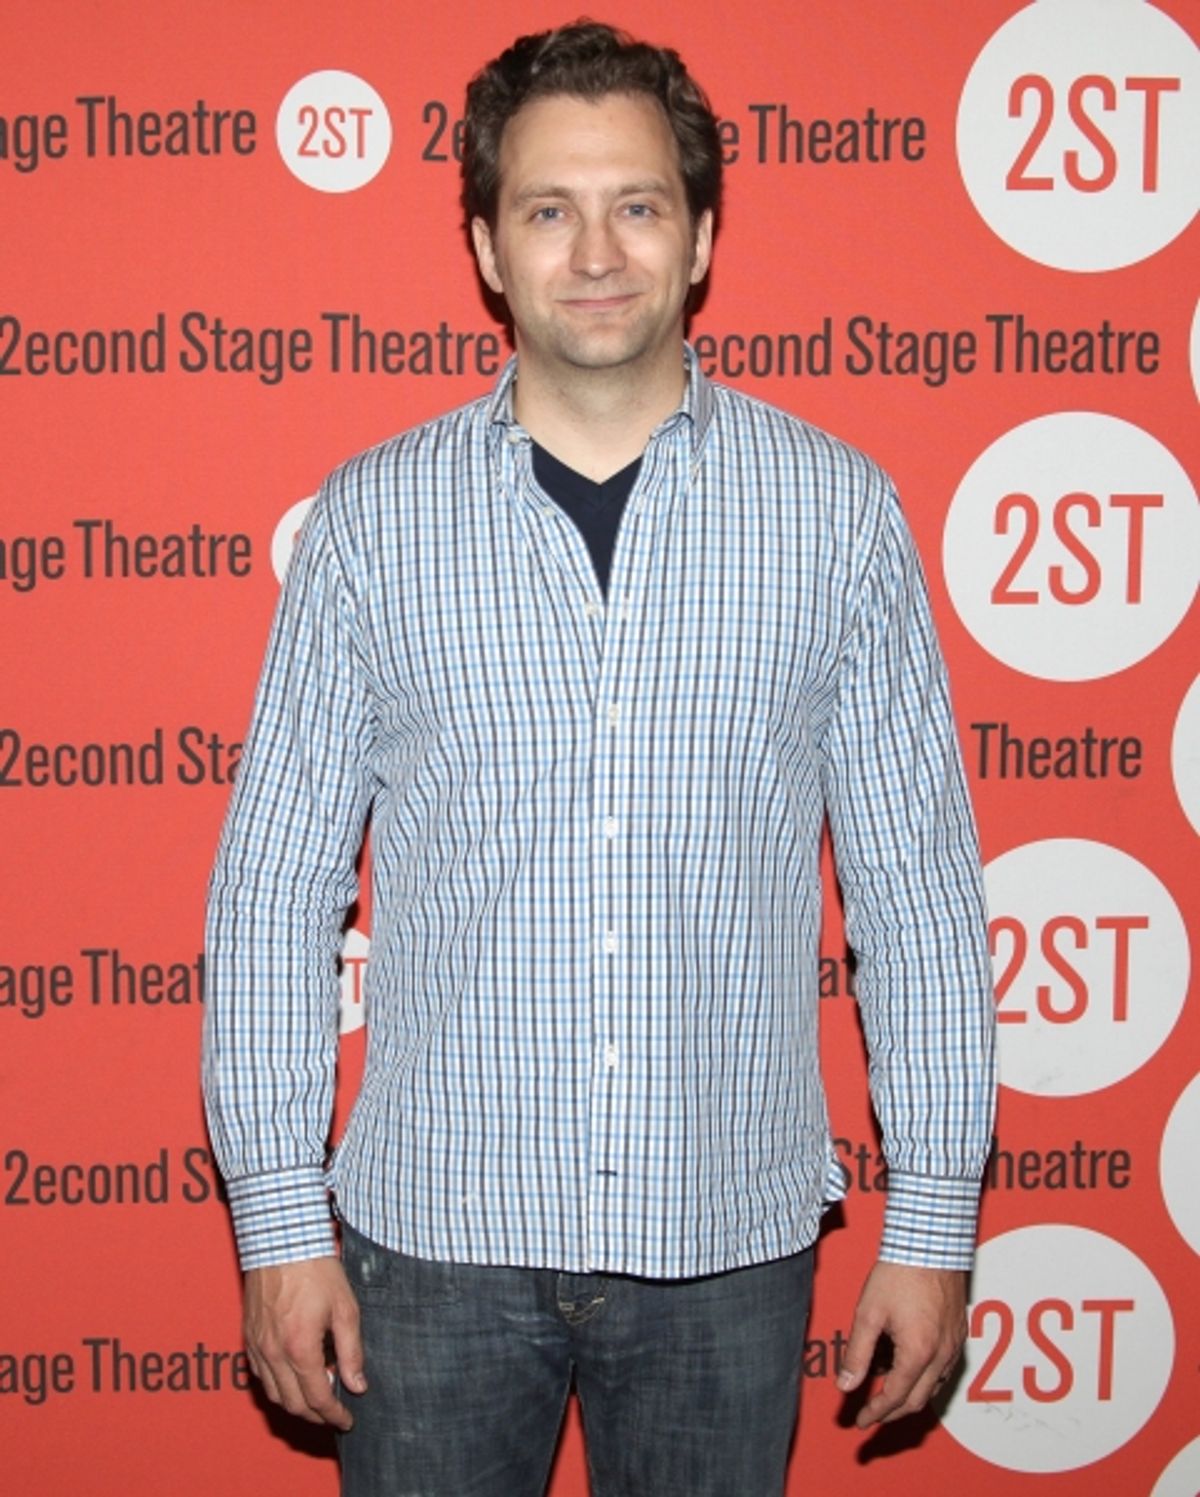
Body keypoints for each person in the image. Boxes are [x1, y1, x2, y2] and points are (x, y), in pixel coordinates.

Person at [202, 20, 996, 1496]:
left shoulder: (838, 515)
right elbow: (274, 886)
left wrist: (936, 1222)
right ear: (491, 251)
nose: (595, 252)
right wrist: (277, 1222)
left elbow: (916, 889)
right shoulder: (374, 524)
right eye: (547, 210)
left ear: (698, 235)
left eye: (635, 204)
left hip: (727, 1243)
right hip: (429, 1244)